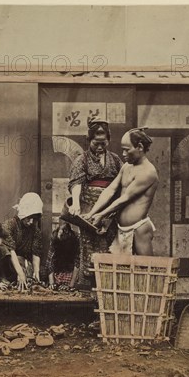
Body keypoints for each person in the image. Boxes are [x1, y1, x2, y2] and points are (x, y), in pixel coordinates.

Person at [83, 128, 158, 255]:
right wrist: (92, 213)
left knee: (146, 269)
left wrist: (102, 214)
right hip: (121, 230)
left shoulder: (148, 172)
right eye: (122, 149)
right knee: (121, 272)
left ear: (139, 147)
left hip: (138, 229)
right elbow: (110, 190)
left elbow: (125, 199)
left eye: (127, 150)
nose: (123, 154)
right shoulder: (126, 166)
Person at [68, 117, 123, 285]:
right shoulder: (82, 160)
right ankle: (88, 288)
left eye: (103, 143)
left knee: (108, 246)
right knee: (89, 248)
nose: (99, 147)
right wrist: (76, 203)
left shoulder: (115, 160)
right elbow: (76, 183)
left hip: (110, 211)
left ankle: (108, 286)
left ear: (108, 140)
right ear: (89, 140)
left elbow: (122, 186)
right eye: (95, 143)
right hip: (88, 211)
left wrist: (112, 212)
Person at [0, 192, 43, 291]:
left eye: (34, 218)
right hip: (6, 263)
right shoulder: (9, 225)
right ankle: (2, 279)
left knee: (39, 272)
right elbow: (10, 251)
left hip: (23, 263)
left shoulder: (35, 230)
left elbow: (36, 253)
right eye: (29, 218)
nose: (31, 221)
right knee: (3, 249)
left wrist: (36, 273)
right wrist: (20, 273)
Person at [45, 222, 79, 290]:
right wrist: (52, 283)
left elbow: (77, 263)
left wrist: (70, 285)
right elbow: (49, 261)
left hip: (70, 270)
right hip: (58, 270)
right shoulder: (54, 238)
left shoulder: (75, 239)